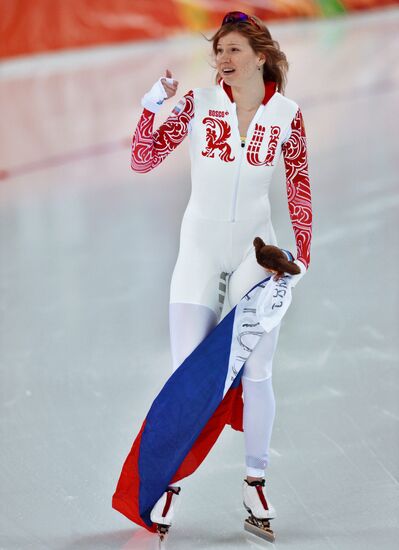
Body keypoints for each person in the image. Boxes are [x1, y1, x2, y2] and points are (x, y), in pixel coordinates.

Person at [130, 10, 312, 537]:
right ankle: (167, 482)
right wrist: (153, 105)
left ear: (259, 55)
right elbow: (142, 159)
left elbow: (299, 191)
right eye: (218, 51)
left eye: (233, 50)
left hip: (258, 255)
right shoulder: (198, 104)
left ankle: (255, 479)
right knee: (188, 373)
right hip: (199, 249)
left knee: (256, 370)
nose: (223, 60)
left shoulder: (288, 115)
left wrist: (301, 261)